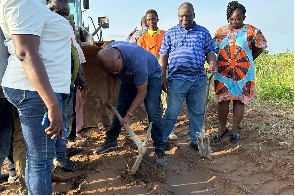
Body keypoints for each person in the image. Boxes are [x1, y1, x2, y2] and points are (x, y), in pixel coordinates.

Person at [0, 0, 72, 194]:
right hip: (35, 91)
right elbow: (25, 52)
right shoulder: (23, 1)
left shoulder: (33, 3)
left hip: (37, 90)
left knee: (38, 158)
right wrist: (52, 104)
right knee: (41, 159)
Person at [94, 41, 167, 167]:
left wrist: (129, 115)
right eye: (114, 71)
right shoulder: (108, 55)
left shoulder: (137, 60)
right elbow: (111, 75)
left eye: (117, 69)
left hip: (151, 75)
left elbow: (141, 93)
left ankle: (160, 149)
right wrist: (110, 97)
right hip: (129, 77)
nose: (116, 73)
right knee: (121, 107)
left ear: (119, 58)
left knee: (152, 110)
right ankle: (111, 141)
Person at [159, 2, 216, 150]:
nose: (184, 18)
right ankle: (162, 140)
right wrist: (162, 76)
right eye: (181, 16)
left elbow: (210, 51)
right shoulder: (170, 33)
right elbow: (163, 57)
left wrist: (211, 64)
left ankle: (195, 141)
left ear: (193, 16)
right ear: (178, 17)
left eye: (188, 16)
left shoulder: (203, 32)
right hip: (177, 79)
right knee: (171, 112)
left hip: (198, 79)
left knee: (197, 112)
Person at [212, 1, 267, 143]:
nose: (235, 21)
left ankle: (235, 129)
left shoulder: (252, 31)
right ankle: (222, 128)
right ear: (228, 17)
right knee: (223, 100)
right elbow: (212, 51)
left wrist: (248, 60)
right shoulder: (220, 33)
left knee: (239, 100)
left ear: (244, 17)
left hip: (243, 73)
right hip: (223, 72)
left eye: (238, 18)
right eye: (232, 19)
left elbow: (260, 47)